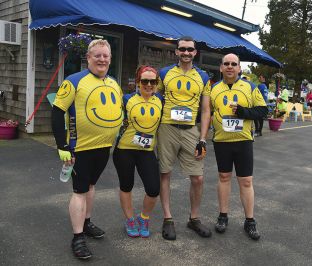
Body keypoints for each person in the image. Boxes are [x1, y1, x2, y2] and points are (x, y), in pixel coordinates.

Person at [51, 39, 123, 260]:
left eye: (106, 56)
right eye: (97, 55)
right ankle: (77, 236)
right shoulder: (74, 81)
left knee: (91, 186)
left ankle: (87, 221)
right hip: (79, 148)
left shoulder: (113, 83)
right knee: (80, 190)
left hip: (103, 148)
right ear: (88, 57)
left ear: (110, 59)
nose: (102, 59)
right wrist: (62, 146)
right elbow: (57, 111)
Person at [157, 36, 211, 240]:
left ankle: (194, 218)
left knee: (197, 177)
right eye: (183, 49)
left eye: (190, 49)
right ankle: (168, 218)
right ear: (176, 52)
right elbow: (155, 98)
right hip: (167, 128)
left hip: (191, 130)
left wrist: (203, 138)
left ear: (195, 52)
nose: (186, 53)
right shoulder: (165, 73)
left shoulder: (204, 77)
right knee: (165, 173)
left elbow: (206, 111)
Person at [210, 53, 267, 240]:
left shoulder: (250, 87)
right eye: (226, 63)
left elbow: (263, 111)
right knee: (224, 177)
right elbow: (206, 112)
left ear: (239, 68)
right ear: (220, 68)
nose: (230, 66)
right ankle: (223, 216)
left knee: (246, 181)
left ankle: (249, 221)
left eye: (234, 64)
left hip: (243, 141)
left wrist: (243, 112)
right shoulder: (213, 89)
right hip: (221, 141)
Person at [113, 66, 162, 238]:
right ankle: (130, 219)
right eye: (145, 81)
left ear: (157, 83)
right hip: (125, 150)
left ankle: (144, 218)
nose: (149, 85)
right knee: (127, 186)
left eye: (153, 81)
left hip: (146, 151)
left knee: (154, 189)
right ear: (138, 82)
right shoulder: (127, 99)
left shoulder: (160, 100)